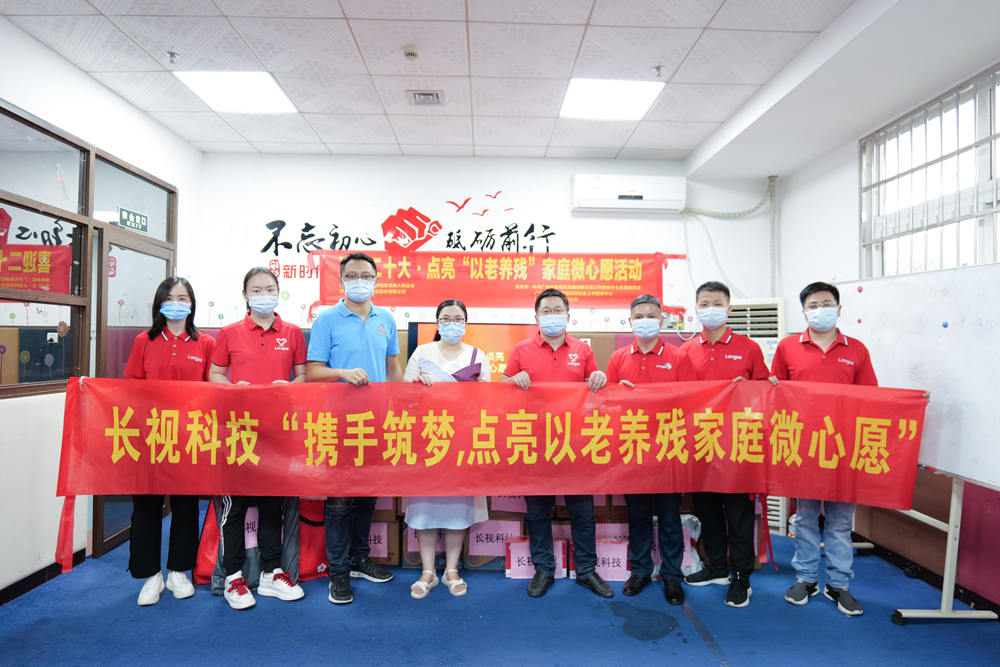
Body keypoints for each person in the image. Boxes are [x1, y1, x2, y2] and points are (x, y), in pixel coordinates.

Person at [770, 281, 877, 616]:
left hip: (843, 449)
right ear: (804, 312)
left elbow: (873, 398)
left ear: (839, 309)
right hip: (803, 447)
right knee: (804, 518)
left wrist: (911, 402)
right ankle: (805, 579)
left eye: (826, 304)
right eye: (813, 306)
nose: (820, 310)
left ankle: (839, 584)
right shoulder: (787, 347)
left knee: (840, 522)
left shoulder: (857, 350)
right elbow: (773, 392)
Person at [306, 252, 403, 605]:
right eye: (352, 275)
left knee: (367, 495)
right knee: (339, 501)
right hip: (338, 422)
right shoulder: (327, 319)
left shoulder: (386, 318)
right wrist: (342, 373)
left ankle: (360, 558)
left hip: (375, 421)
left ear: (376, 280)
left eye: (366, 275)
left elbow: (393, 367)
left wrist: (396, 404)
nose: (359, 281)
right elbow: (312, 371)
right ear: (341, 280)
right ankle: (339, 570)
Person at [501, 288, 611, 599]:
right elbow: (501, 388)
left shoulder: (583, 350)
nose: (552, 315)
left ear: (568, 315)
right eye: (546, 311)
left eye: (557, 310)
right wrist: (513, 381)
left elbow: (595, 387)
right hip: (535, 443)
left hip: (575, 444)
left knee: (583, 512)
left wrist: (600, 378)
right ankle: (544, 569)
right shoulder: (521, 349)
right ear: (536, 317)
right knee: (537, 511)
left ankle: (587, 570)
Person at [209, 267, 307, 610]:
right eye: (256, 290)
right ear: (245, 295)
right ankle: (233, 576)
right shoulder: (228, 333)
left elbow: (303, 376)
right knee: (234, 505)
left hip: (279, 430)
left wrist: (289, 388)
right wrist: (232, 389)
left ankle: (271, 572)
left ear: (279, 293)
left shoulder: (293, 332)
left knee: (271, 504)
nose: (264, 295)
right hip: (239, 430)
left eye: (270, 289)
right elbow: (215, 373)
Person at [124, 277, 215, 606]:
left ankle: (179, 570)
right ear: (159, 303)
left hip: (189, 437)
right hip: (150, 436)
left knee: (186, 506)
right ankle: (150, 575)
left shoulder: (205, 343)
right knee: (145, 507)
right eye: (170, 298)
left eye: (183, 298)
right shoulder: (144, 340)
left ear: (191, 304)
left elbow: (214, 389)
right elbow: (131, 389)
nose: (176, 304)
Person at [680, 281, 770, 608]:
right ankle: (717, 567)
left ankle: (742, 578)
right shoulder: (685, 350)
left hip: (738, 448)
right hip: (701, 446)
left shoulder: (749, 348)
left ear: (729, 309)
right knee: (708, 512)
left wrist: (749, 390)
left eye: (717, 304)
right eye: (704, 304)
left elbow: (766, 393)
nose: (711, 310)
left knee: (739, 517)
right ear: (696, 310)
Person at [606, 294, 697, 606]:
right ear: (630, 321)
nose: (645, 321)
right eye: (639, 316)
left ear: (661, 320)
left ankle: (672, 575)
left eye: (651, 316)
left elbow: (692, 401)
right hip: (633, 448)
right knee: (639, 516)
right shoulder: (618, 358)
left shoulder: (679, 356)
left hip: (670, 449)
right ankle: (641, 571)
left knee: (670, 518)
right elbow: (608, 405)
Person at [402, 299, 489, 599]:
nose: (452, 324)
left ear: (466, 322)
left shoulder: (478, 355)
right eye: (446, 318)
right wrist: (416, 385)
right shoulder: (422, 352)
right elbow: (403, 398)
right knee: (425, 507)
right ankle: (428, 571)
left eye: (458, 318)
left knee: (457, 507)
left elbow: (489, 401)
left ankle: (451, 570)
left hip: (462, 442)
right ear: (437, 322)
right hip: (427, 441)